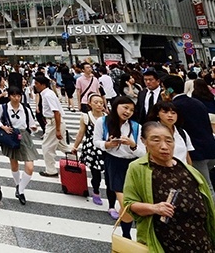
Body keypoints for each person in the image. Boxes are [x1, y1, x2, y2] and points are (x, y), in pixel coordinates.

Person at [123, 121, 215, 252]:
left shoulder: (190, 171)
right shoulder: (138, 168)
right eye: (156, 140)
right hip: (165, 243)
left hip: (200, 243)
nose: (164, 146)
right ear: (144, 141)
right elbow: (129, 204)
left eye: (169, 141)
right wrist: (155, 208)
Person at [94, 95, 145, 231]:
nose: (128, 112)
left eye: (131, 110)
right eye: (125, 107)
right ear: (116, 106)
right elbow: (96, 141)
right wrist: (107, 144)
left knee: (130, 201)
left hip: (133, 164)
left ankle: (126, 232)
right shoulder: (102, 121)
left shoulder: (136, 127)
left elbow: (143, 152)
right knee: (125, 203)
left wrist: (132, 145)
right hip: (114, 163)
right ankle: (126, 233)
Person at [167, 74, 215, 194]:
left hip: (196, 151)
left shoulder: (175, 107)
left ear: (169, 90)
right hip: (210, 147)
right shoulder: (197, 102)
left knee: (205, 185)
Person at [0, 86, 39, 205]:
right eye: (14, 96)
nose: (16, 98)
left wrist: (33, 128)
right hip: (11, 136)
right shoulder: (3, 107)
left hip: (25, 137)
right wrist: (3, 127)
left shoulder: (25, 108)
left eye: (19, 96)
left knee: (30, 166)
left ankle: (21, 189)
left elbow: (31, 124)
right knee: (14, 163)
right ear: (9, 96)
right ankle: (18, 185)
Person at [70, 93, 109, 207]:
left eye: (101, 103)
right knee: (95, 173)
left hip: (105, 147)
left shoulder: (107, 117)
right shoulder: (86, 117)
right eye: (96, 102)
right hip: (92, 148)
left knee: (108, 173)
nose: (99, 105)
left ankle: (110, 192)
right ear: (89, 104)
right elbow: (81, 133)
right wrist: (75, 147)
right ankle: (96, 191)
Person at [34, 75, 70, 177]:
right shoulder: (47, 93)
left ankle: (51, 170)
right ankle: (75, 159)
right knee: (63, 146)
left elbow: (56, 112)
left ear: (42, 84)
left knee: (46, 147)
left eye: (37, 83)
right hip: (55, 122)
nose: (35, 86)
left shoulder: (47, 95)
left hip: (54, 123)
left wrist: (58, 129)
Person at [147, 100, 193, 164]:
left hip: (182, 171)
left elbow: (187, 155)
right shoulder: (151, 131)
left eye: (173, 113)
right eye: (165, 112)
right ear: (157, 114)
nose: (170, 115)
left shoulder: (182, 132)